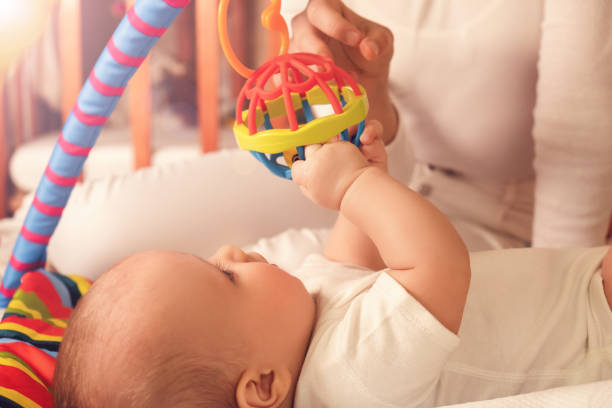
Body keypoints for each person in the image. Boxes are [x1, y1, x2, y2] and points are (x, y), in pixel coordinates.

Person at [53, 122, 612, 407]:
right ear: (264, 386)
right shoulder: (348, 379)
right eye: (223, 278)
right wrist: (354, 186)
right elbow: (437, 267)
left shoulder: (298, 325)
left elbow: (351, 261)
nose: (230, 253)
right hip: (589, 331)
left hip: (576, 289)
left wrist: (371, 183)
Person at [285, 0, 612, 250]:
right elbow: (379, 173)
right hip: (373, 196)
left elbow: (578, 150)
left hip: (511, 228)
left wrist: (566, 297)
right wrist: (371, 101)